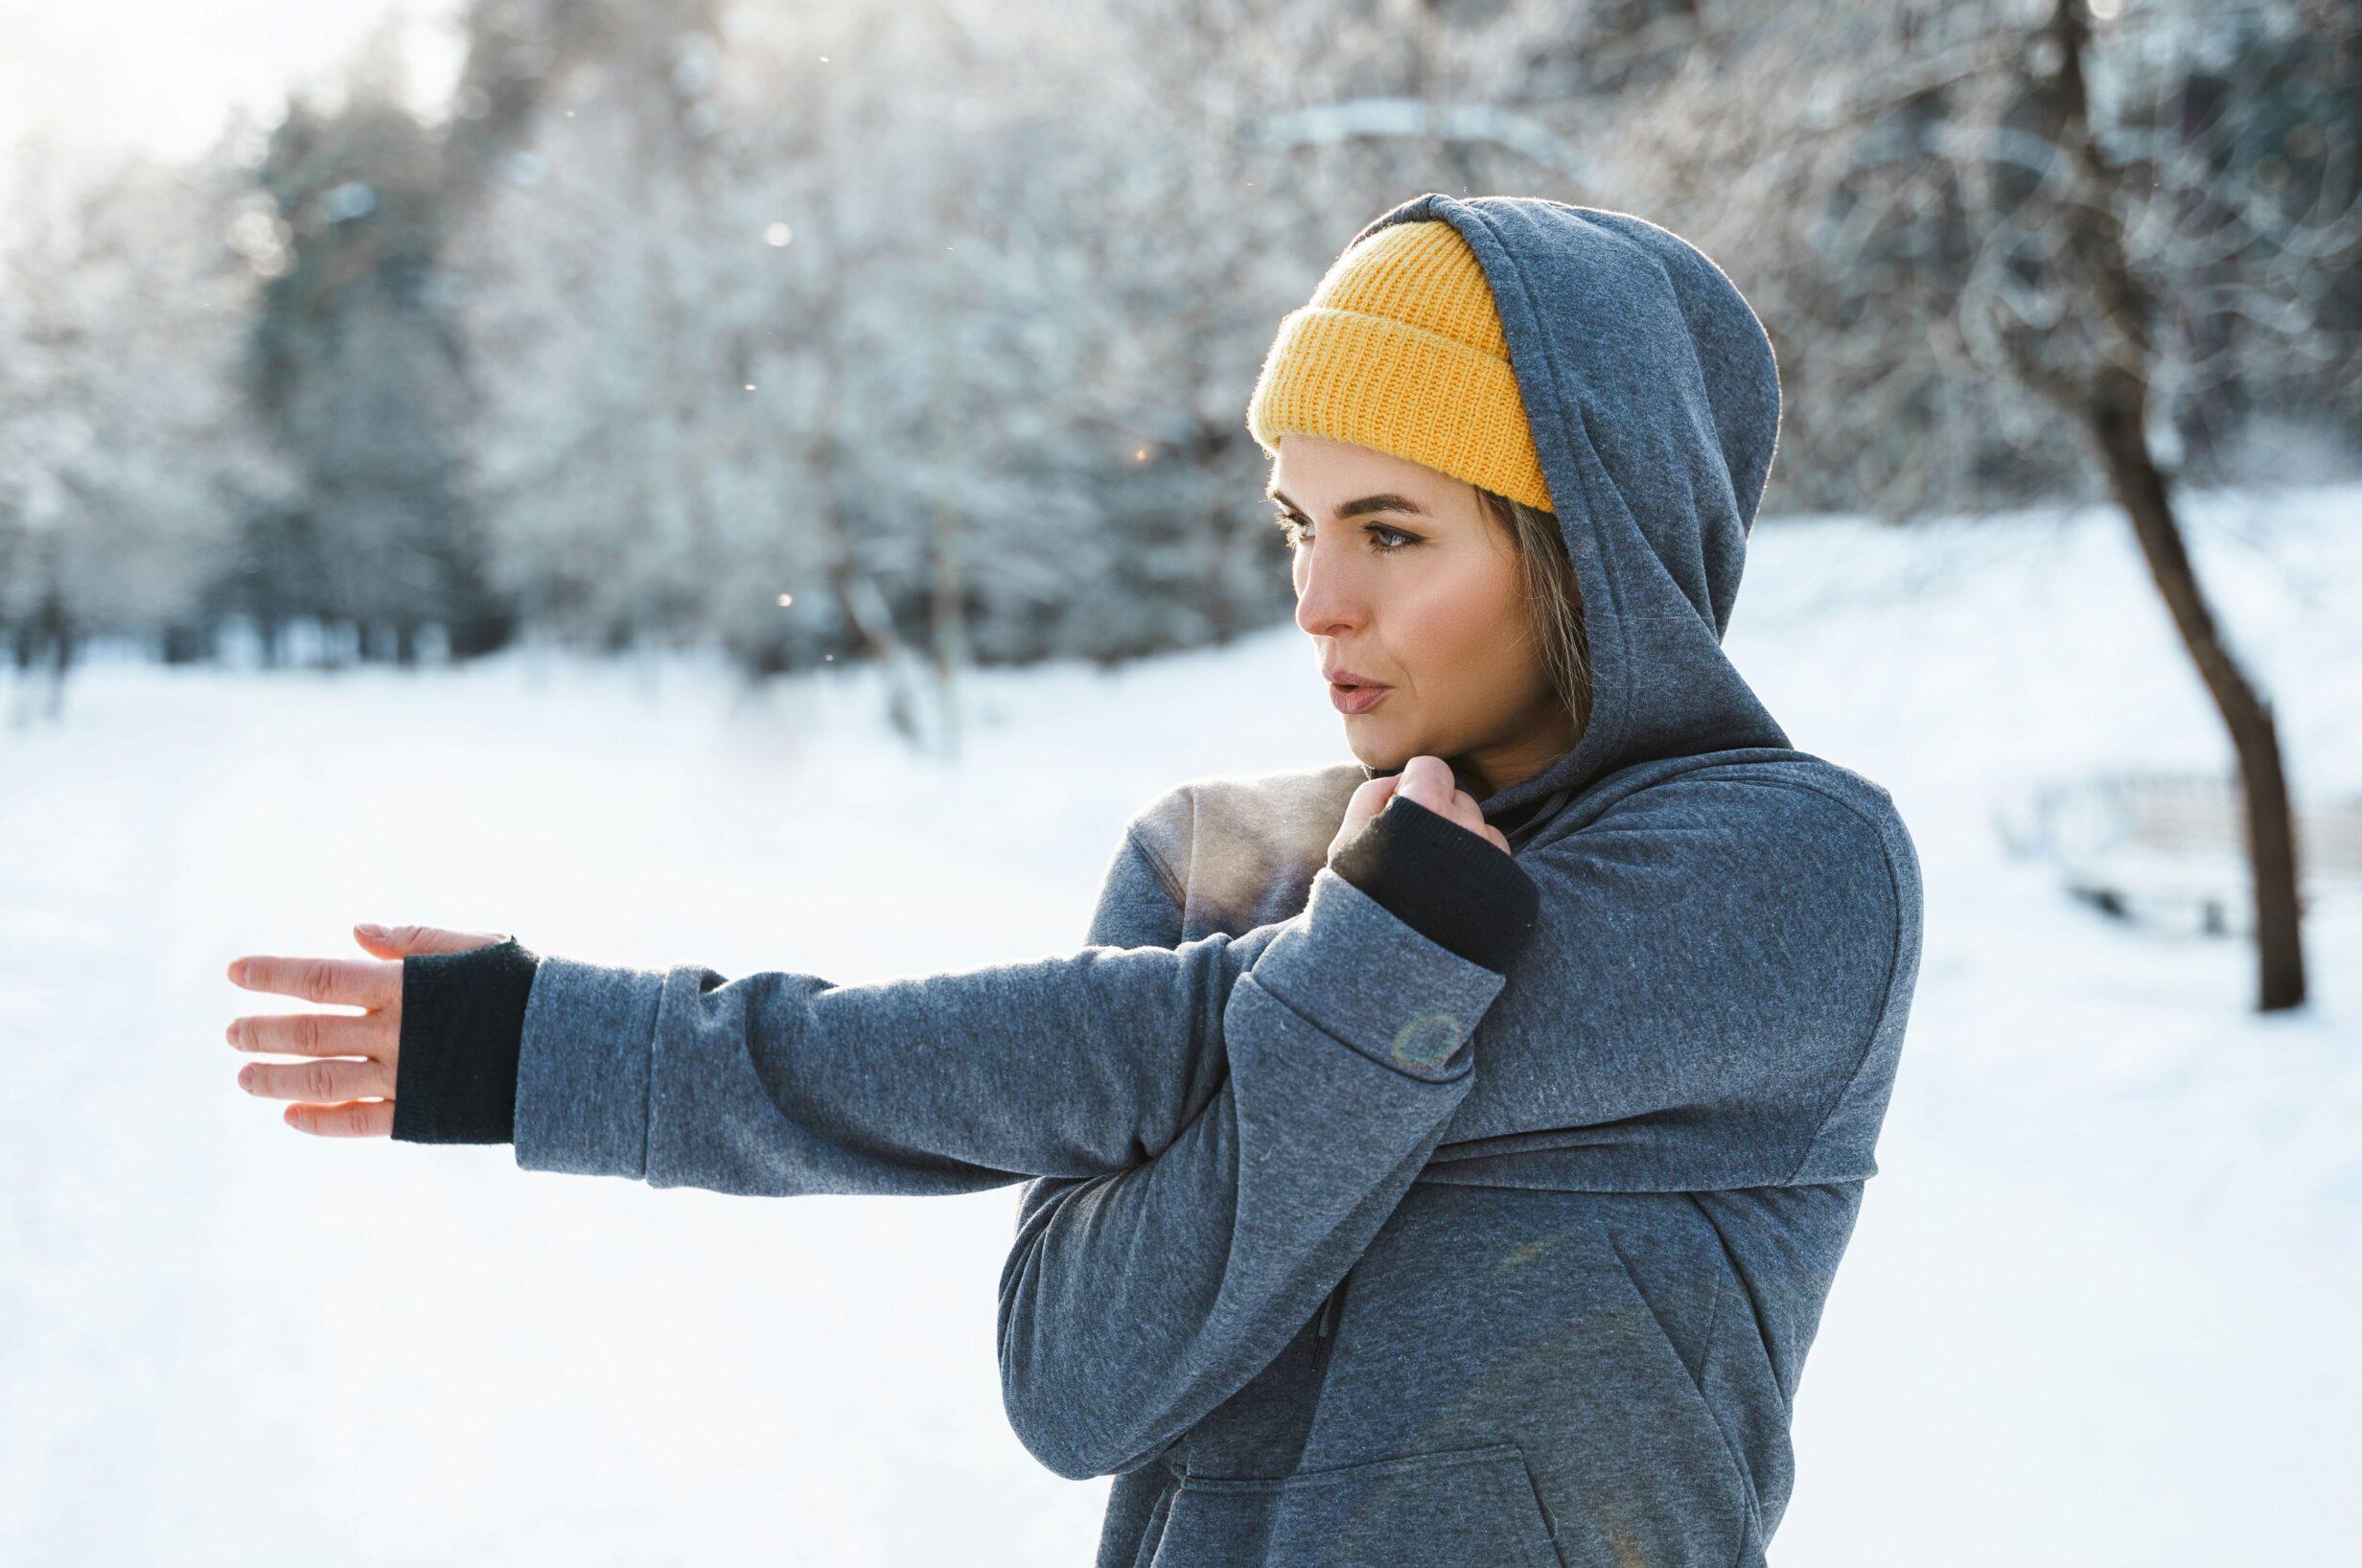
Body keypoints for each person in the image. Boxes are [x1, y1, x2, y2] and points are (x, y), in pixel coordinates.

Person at [225, 192, 1924, 1568]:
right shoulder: (1214, 860)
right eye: (1295, 524)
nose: (1318, 600)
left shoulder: (1787, 873)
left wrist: (581, 1053)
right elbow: (1074, 1389)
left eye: (1392, 531)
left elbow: (1144, 1051)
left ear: (1594, 555)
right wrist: (1379, 961)